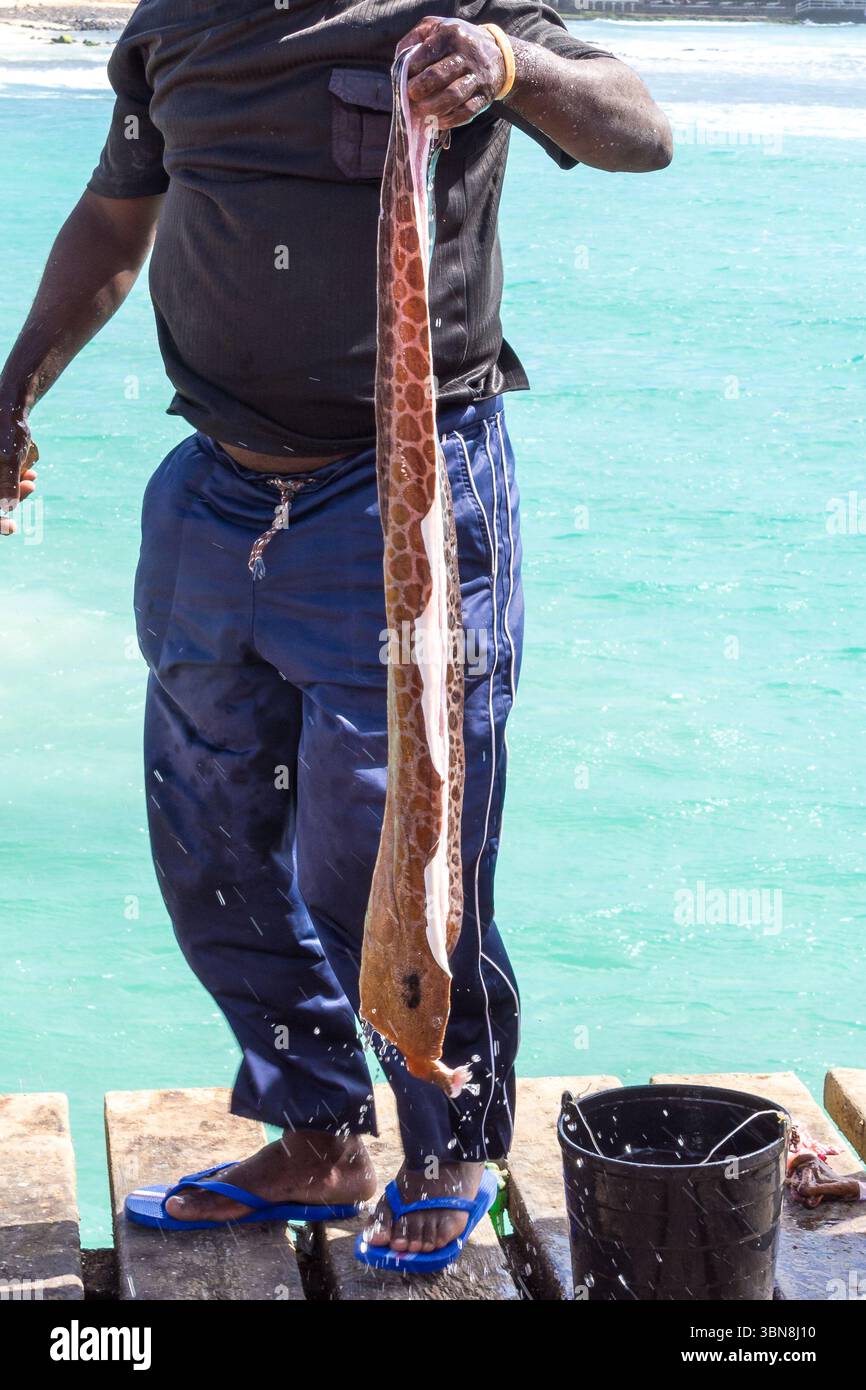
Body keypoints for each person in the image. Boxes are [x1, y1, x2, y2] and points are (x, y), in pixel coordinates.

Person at [0, 1, 671, 1266]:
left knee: (392, 840)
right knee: (206, 830)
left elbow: (641, 129)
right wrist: (14, 384)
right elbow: (113, 215)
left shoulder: (453, 11)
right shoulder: (175, 26)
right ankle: (316, 1134)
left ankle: (451, 1140)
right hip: (211, 487)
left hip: (405, 492)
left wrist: (511, 69)